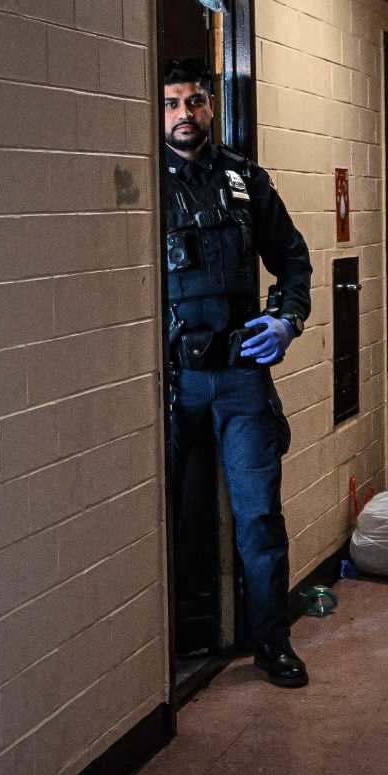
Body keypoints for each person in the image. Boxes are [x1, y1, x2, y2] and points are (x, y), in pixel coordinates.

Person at [162, 58, 312, 688]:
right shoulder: (139, 180)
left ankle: (271, 641)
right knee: (158, 515)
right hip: (169, 383)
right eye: (171, 104)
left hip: (241, 375)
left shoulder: (247, 181)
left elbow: (295, 261)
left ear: (212, 107)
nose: (184, 115)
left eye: (195, 102)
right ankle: (154, 653)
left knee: (258, 516)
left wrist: (285, 321)